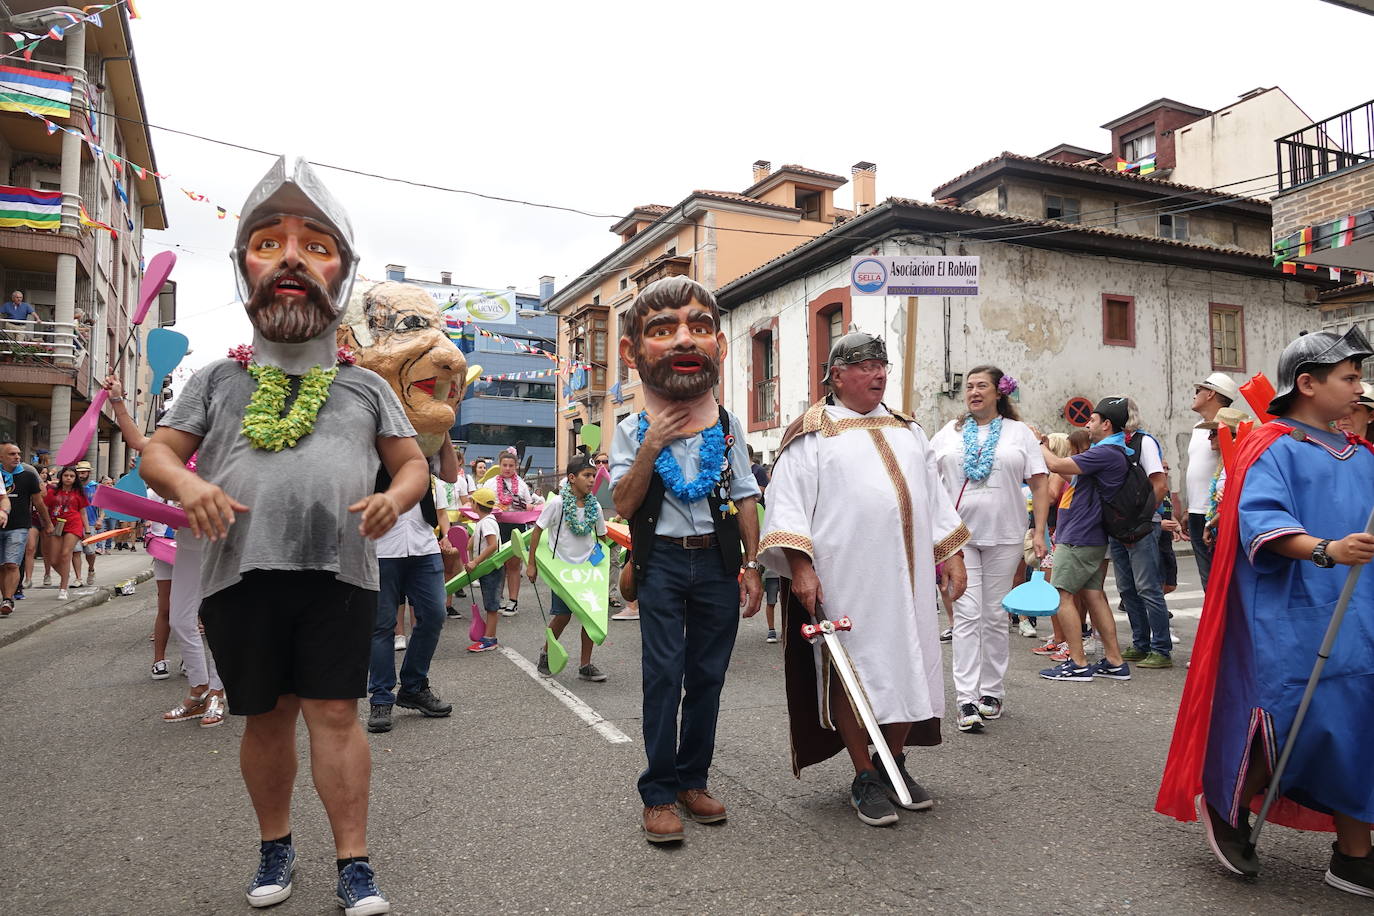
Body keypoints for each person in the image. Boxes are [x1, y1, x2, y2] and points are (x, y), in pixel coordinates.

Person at [141, 157, 427, 914]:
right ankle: (275, 847)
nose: (291, 258)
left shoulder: (366, 384)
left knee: (335, 713)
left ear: (343, 272)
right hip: (240, 573)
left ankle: (354, 861)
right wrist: (190, 485)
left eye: (315, 245)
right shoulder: (217, 378)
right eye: (269, 243)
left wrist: (393, 498)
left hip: (341, 572)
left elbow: (412, 464)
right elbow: (158, 453)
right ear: (244, 267)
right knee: (266, 718)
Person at [1157, 326, 1374, 897]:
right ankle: (1229, 806)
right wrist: (1328, 549)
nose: (1360, 388)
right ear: (1308, 383)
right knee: (1294, 714)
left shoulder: (1362, 455)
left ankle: (1354, 853)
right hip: (1290, 612)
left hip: (1359, 613)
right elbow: (1263, 524)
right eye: (1350, 377)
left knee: (1359, 722)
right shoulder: (1273, 446)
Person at [760, 328, 968, 827]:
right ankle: (864, 775)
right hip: (847, 580)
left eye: (882, 367)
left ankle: (892, 762)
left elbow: (935, 498)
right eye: (866, 367)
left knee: (912, 667)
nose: (878, 375)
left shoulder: (908, 429)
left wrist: (952, 556)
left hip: (909, 582)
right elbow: (787, 505)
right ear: (837, 376)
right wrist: (801, 569)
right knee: (854, 674)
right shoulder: (812, 433)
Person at [610, 275, 762, 844]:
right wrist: (650, 446)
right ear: (633, 351)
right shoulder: (631, 429)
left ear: (717, 344)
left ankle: (693, 780)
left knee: (707, 676)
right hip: (664, 563)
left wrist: (751, 564)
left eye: (699, 327)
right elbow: (624, 504)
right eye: (665, 329)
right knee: (663, 676)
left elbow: (744, 495)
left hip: (717, 563)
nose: (684, 340)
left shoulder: (727, 425)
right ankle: (658, 792)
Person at [931, 366, 1047, 733]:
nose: (974, 392)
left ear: (999, 392)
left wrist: (1039, 530)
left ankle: (992, 691)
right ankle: (966, 698)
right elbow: (926, 479)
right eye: (969, 386)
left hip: (1006, 534)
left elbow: (1040, 483)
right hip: (959, 539)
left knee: (995, 615)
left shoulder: (1019, 433)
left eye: (982, 385)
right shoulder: (948, 433)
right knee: (966, 615)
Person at [1034, 398, 1132, 683]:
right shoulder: (1113, 451)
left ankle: (1077, 662)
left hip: (1080, 534)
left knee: (1062, 595)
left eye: (1092, 420)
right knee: (1093, 595)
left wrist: (1038, 443)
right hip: (1090, 533)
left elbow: (1055, 463)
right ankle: (1114, 661)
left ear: (1106, 424)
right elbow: (1068, 473)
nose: (1087, 424)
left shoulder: (1106, 452)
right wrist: (1048, 450)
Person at [527, 455, 609, 681]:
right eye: (586, 475)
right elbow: (537, 530)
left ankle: (585, 665)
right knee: (562, 616)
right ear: (572, 478)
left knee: (589, 618)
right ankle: (546, 653)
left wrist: (602, 564)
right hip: (564, 571)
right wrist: (531, 564)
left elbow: (602, 537)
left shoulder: (595, 506)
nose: (591, 480)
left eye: (593, 476)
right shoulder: (558, 503)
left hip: (587, 571)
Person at [1110, 399, 1173, 669]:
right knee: (1126, 588)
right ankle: (1140, 644)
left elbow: (1160, 484)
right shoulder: (1111, 444)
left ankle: (1161, 648)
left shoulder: (1143, 442)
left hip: (1141, 525)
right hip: (1117, 525)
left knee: (1147, 587)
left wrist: (1143, 518)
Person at [1185, 373, 1239, 590]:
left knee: (1222, 580)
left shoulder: (1229, 427)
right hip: (1197, 511)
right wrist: (1189, 507)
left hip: (1218, 513)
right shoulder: (1199, 428)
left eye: (1198, 391)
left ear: (1210, 394)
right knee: (1207, 580)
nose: (1194, 395)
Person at [491, 447, 541, 616]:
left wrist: (524, 505)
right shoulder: (490, 483)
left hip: (516, 526)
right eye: (504, 465)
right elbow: (483, 504)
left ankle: (513, 601)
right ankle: (497, 598)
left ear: (516, 466)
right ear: (499, 465)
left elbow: (530, 506)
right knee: (497, 564)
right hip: (496, 526)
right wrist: (495, 507)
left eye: (511, 465)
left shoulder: (521, 484)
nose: (507, 468)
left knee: (513, 565)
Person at [465, 486, 503, 652]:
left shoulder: (487, 523)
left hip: (491, 569)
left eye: (472, 502)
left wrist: (475, 562)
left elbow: (492, 545)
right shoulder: (484, 522)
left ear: (476, 505)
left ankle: (489, 639)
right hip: (488, 569)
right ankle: (489, 636)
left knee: (491, 605)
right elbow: (471, 544)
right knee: (490, 603)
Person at [43, 465, 87, 599]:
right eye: (66, 475)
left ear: (75, 478)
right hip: (56, 525)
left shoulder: (79, 493)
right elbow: (44, 508)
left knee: (65, 554)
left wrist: (87, 530)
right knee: (53, 559)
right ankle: (65, 575)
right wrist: (47, 523)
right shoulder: (52, 492)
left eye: (72, 476)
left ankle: (63, 588)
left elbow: (83, 512)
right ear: (61, 477)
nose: (68, 478)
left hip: (73, 525)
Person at [0, 441, 33, 616]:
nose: (17, 457)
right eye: (12, 454)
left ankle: (8, 599)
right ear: (1, 457)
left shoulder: (28, 474)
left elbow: (4, 498)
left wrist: (4, 511)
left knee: (12, 564)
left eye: (18, 454)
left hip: (19, 526)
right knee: (1, 566)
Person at [74, 461, 99, 586]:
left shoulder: (96, 487)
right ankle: (78, 578)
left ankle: (91, 569)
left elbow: (102, 505)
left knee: (90, 552)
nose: (81, 475)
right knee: (76, 551)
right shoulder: (73, 487)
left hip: (91, 523)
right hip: (75, 523)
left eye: (83, 472)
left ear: (89, 473)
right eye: (79, 473)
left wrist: (100, 519)